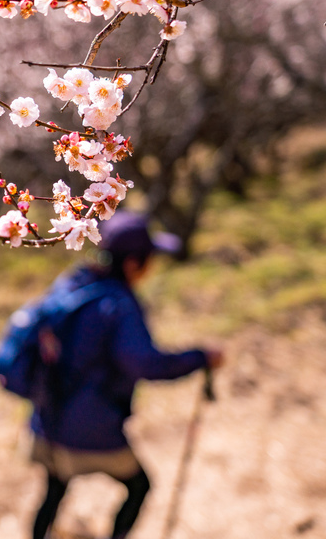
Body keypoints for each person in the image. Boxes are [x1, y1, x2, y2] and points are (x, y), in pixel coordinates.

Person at [27, 212, 224, 539]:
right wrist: (199, 358)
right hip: (92, 426)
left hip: (47, 418)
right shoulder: (119, 304)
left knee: (54, 487)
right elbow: (145, 364)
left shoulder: (75, 283)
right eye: (150, 259)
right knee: (139, 485)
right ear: (133, 263)